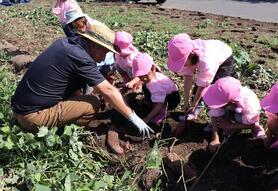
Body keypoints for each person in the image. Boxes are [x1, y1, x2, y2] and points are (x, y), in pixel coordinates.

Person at [11, 22, 153, 138]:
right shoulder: (79, 57)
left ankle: (62, 123)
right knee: (93, 104)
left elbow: (75, 86)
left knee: (83, 95)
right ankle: (68, 135)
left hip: (21, 108)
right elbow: (107, 90)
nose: (105, 57)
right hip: (32, 116)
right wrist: (132, 117)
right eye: (105, 51)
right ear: (93, 44)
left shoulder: (66, 44)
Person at [167, 33, 234, 120]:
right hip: (205, 55)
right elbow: (188, 77)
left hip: (224, 56)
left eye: (183, 62)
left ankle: (201, 111)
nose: (183, 65)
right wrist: (186, 101)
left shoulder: (206, 62)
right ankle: (194, 110)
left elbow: (203, 85)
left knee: (217, 87)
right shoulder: (185, 52)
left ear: (191, 55)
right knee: (197, 90)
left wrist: (194, 104)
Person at [201, 77, 265, 153]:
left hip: (246, 117)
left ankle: (258, 133)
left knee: (240, 118)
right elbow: (214, 115)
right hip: (232, 108)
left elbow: (252, 125)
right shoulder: (219, 94)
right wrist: (215, 138)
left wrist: (229, 125)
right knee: (223, 119)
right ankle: (230, 128)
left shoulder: (249, 104)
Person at [130, 53, 180, 125]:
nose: (143, 78)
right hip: (166, 93)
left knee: (155, 101)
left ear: (153, 68)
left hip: (171, 99)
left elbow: (159, 104)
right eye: (140, 76)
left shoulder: (155, 85)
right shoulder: (152, 76)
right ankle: (150, 101)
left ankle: (164, 113)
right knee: (145, 88)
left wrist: (147, 118)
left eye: (145, 75)